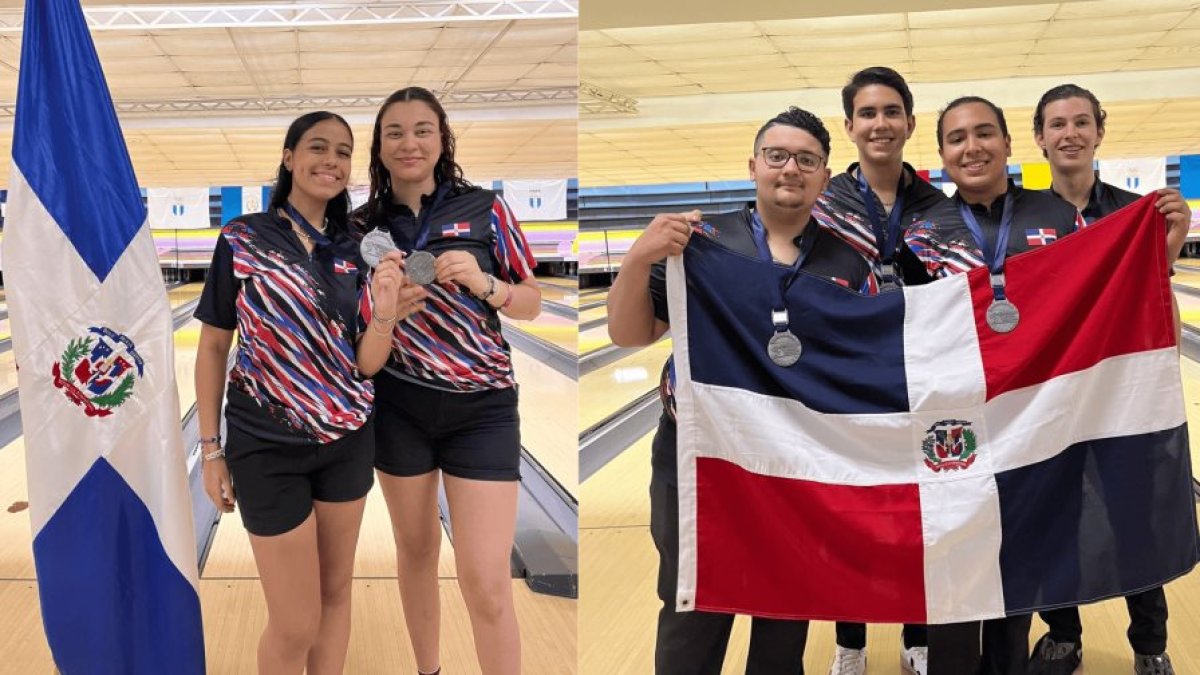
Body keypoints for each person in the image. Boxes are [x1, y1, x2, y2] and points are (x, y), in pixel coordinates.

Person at [608, 106, 873, 674]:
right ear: (752, 165)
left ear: (825, 175)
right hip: (697, 458)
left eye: (807, 160)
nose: (790, 169)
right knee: (692, 609)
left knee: (785, 612)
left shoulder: (848, 262)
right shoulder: (699, 242)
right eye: (776, 156)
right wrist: (636, 258)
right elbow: (629, 333)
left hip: (795, 462)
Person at [195, 111, 419, 674]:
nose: (332, 161)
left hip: (346, 441)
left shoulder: (362, 247)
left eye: (343, 152)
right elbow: (214, 347)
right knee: (295, 620)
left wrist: (386, 314)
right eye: (318, 148)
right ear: (290, 157)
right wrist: (210, 449)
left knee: (336, 595)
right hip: (264, 446)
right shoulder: (244, 237)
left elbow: (366, 363)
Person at [351, 86, 541, 675]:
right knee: (416, 552)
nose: (410, 143)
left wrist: (489, 286)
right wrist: (383, 310)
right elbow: (355, 339)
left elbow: (531, 301)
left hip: (482, 408)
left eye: (422, 130)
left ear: (442, 138)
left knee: (485, 578)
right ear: (380, 148)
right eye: (395, 133)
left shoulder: (486, 208)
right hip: (398, 405)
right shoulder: (358, 226)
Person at [1026, 83, 1191, 675]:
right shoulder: (1023, 218)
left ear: (1100, 129)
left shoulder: (1133, 211)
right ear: (1039, 137)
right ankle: (1063, 634)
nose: (1069, 133)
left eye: (1080, 122)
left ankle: (1150, 647)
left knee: (1135, 521)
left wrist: (1167, 249)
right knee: (1054, 521)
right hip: (1053, 404)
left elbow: (1152, 303)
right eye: (1056, 123)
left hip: (1124, 401)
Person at [815, 65, 943, 675]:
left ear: (910, 123)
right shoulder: (825, 203)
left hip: (921, 381)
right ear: (850, 126)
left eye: (891, 112)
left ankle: (919, 639)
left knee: (921, 517)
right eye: (867, 113)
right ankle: (851, 643)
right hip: (847, 381)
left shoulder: (938, 207)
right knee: (852, 519)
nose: (880, 124)